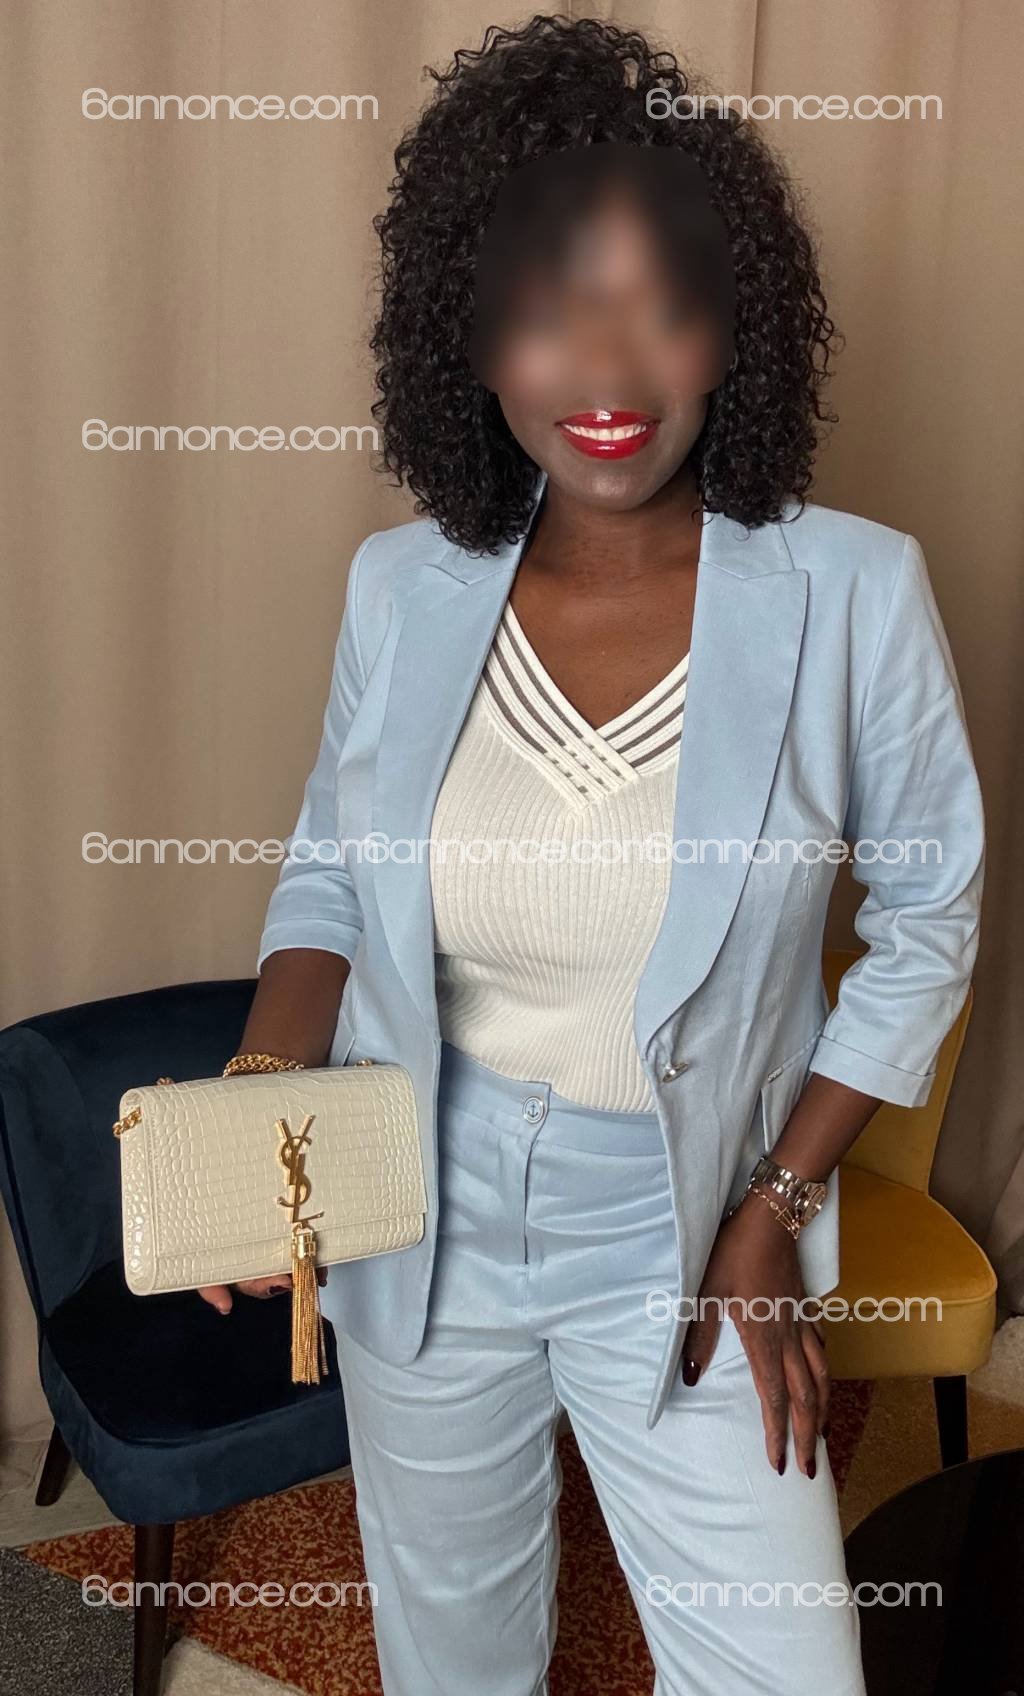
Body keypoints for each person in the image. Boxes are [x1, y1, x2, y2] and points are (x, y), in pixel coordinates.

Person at [199, 17, 984, 1694]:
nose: (606, 368)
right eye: (550, 306)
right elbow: (332, 869)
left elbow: (929, 917)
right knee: (454, 1658)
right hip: (423, 1197)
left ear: (733, 324)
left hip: (690, 1215)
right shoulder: (401, 591)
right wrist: (266, 1088)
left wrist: (776, 1205)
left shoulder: (854, 592)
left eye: (657, 301)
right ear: (472, 332)